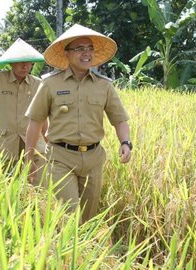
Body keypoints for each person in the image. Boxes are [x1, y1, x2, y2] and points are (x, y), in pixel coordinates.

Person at [25, 24, 133, 223]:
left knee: (88, 218)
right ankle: (64, 252)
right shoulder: (50, 84)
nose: (86, 53)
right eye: (80, 48)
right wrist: (28, 159)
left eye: (90, 48)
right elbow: (35, 121)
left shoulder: (104, 85)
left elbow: (119, 119)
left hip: (94, 159)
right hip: (61, 158)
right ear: (66, 53)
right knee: (69, 217)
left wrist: (125, 143)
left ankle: (84, 254)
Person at [0, 38, 47, 171]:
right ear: (11, 63)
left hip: (33, 144)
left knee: (36, 183)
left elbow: (42, 115)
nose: (25, 66)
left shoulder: (38, 84)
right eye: (20, 63)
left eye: (29, 63)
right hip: (5, 142)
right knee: (6, 183)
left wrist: (48, 139)